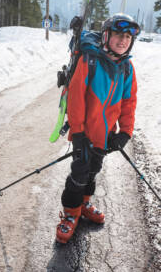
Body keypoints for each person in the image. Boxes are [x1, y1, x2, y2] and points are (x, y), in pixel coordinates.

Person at [56, 13, 139, 244]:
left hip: (105, 135)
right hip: (83, 133)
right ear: (106, 36)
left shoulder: (127, 68)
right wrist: (79, 132)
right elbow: (75, 98)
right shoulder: (89, 60)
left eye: (128, 37)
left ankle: (84, 204)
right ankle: (70, 214)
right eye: (118, 35)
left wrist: (125, 132)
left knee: (94, 170)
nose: (123, 41)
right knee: (79, 172)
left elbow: (128, 102)